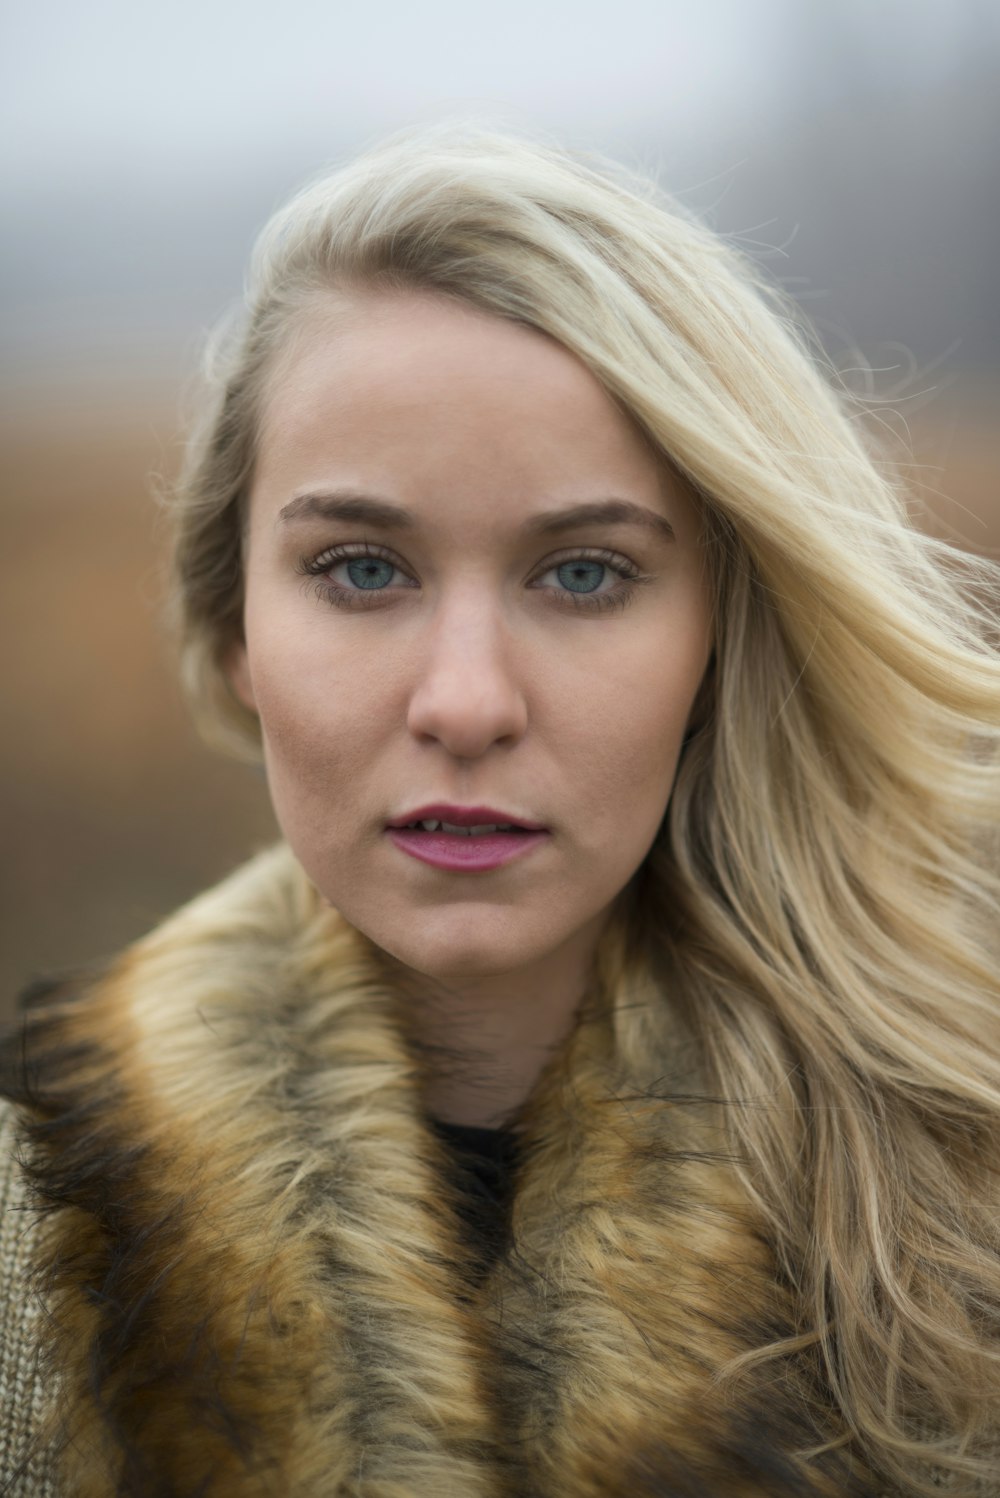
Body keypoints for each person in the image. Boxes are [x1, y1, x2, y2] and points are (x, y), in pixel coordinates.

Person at [1, 126, 998, 1498]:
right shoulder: (28, 1256)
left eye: (583, 574)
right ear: (238, 628)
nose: (466, 702)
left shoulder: (962, 1224)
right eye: (360, 568)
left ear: (722, 637)